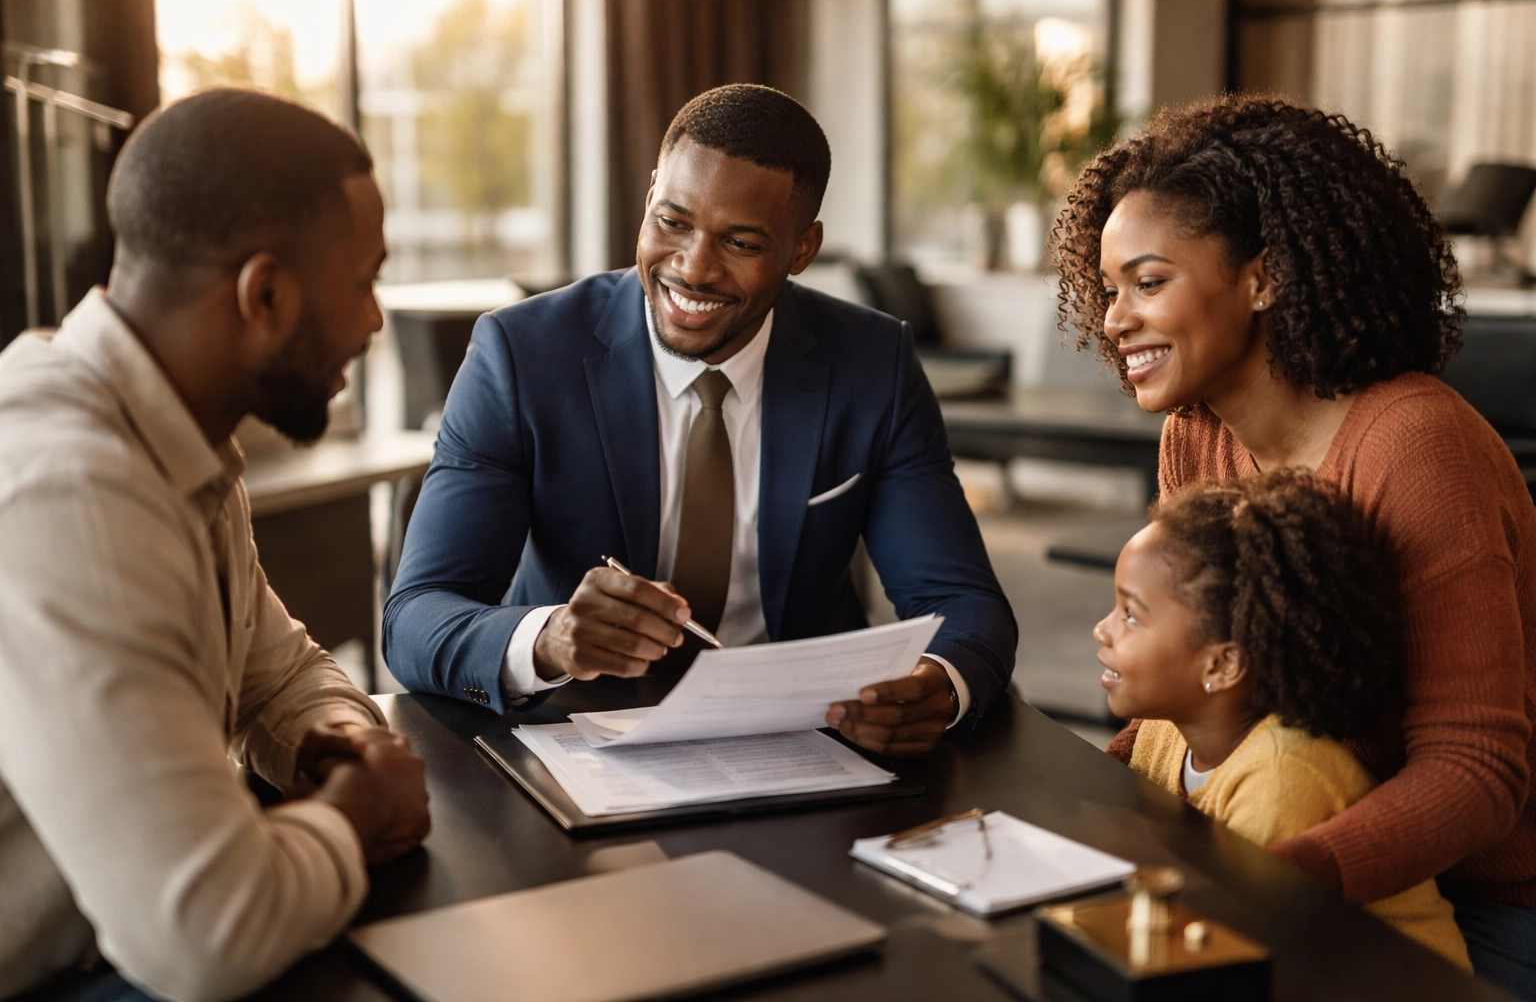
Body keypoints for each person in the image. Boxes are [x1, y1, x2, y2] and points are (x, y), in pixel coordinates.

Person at [1052, 94, 1536, 995]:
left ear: (1264, 278)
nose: (1115, 321)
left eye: (1148, 284)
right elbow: (1188, 671)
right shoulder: (1196, 435)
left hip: (1480, 897)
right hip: (1280, 835)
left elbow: (1477, 769)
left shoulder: (1416, 448)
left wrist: (1272, 885)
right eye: (1109, 288)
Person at [385, 84, 1016, 755]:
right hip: (573, 728)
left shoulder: (872, 364)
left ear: (802, 250)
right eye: (673, 222)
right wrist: (550, 638)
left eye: (740, 242)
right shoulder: (522, 355)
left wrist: (936, 684)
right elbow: (417, 617)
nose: (692, 268)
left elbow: (962, 600)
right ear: (652, 192)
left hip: (802, 738)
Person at [0, 88, 431, 1002]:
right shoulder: (68, 486)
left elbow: (276, 676)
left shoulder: (177, 438)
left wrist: (345, 743)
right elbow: (209, 937)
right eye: (363, 281)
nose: (373, 323)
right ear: (265, 295)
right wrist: (355, 814)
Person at [1095, 471, 1470, 967]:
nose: (1103, 629)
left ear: (1221, 665)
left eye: (1132, 615)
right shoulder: (1167, 728)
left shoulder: (1280, 779)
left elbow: (1225, 951)